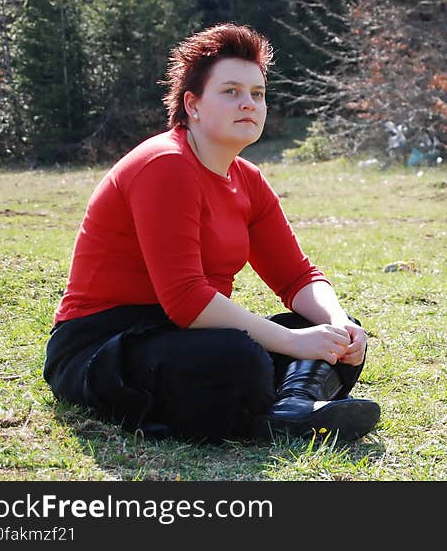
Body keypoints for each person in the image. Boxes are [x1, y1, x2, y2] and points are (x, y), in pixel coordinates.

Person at [43, 23, 381, 444]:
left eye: (257, 94)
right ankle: (274, 406)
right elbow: (186, 298)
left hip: (182, 335)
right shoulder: (165, 165)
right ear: (193, 105)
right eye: (231, 92)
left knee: (337, 333)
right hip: (101, 345)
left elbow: (297, 277)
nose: (249, 104)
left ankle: (287, 408)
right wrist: (294, 343)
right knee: (239, 359)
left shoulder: (248, 179)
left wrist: (333, 325)